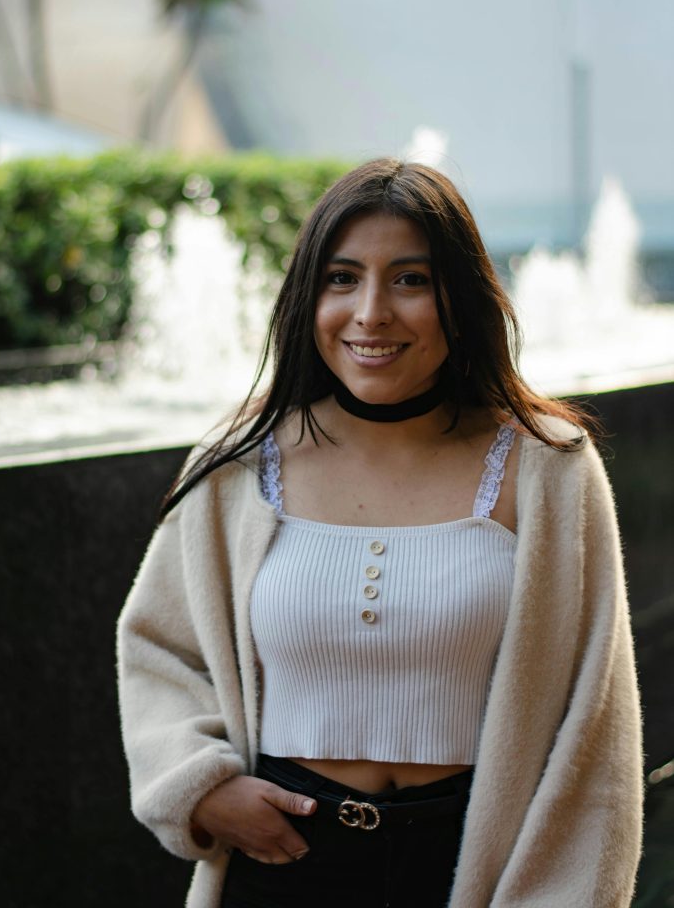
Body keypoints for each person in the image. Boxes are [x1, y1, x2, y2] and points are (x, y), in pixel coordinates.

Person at [117, 159, 643, 908]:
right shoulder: (235, 467)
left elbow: (594, 721)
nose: (370, 312)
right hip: (279, 859)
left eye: (409, 279)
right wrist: (197, 787)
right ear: (308, 298)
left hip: (481, 866)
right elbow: (157, 649)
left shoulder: (547, 468)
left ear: (458, 299)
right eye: (340, 278)